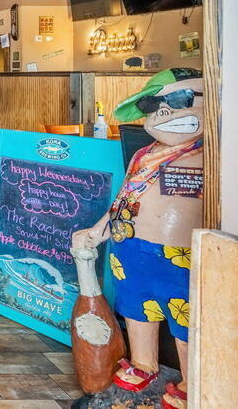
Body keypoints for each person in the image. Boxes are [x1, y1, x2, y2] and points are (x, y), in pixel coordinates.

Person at [72, 68, 203, 409]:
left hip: (183, 254)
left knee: (187, 319)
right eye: (151, 105)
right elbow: (124, 197)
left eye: (180, 100)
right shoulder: (143, 155)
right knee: (136, 306)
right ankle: (144, 363)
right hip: (130, 247)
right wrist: (99, 231)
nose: (163, 111)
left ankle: (194, 380)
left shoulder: (214, 156)